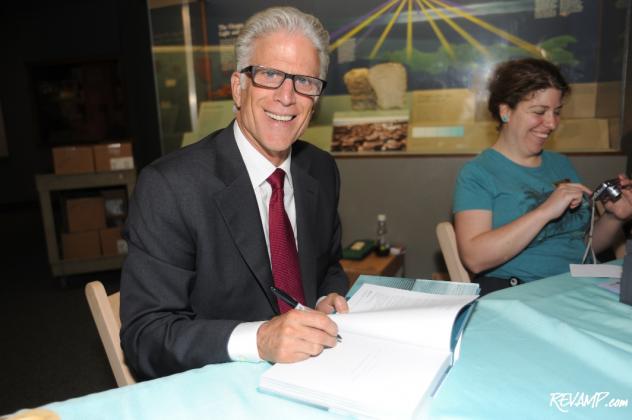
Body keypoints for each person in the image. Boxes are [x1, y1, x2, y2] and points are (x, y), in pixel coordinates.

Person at [120, 6, 349, 380]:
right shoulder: (170, 187)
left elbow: (330, 267)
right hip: (218, 382)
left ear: (316, 98)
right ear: (238, 88)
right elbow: (146, 336)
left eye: (305, 81)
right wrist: (258, 340)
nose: (287, 97)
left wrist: (327, 297)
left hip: (314, 370)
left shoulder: (321, 170)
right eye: (270, 74)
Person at [453, 58, 632, 294]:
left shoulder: (560, 164)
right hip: (519, 291)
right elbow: (475, 258)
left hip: (579, 285)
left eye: (556, 112)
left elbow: (582, 247)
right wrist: (545, 211)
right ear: (506, 111)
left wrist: (614, 218)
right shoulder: (478, 173)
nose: (551, 123)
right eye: (539, 112)